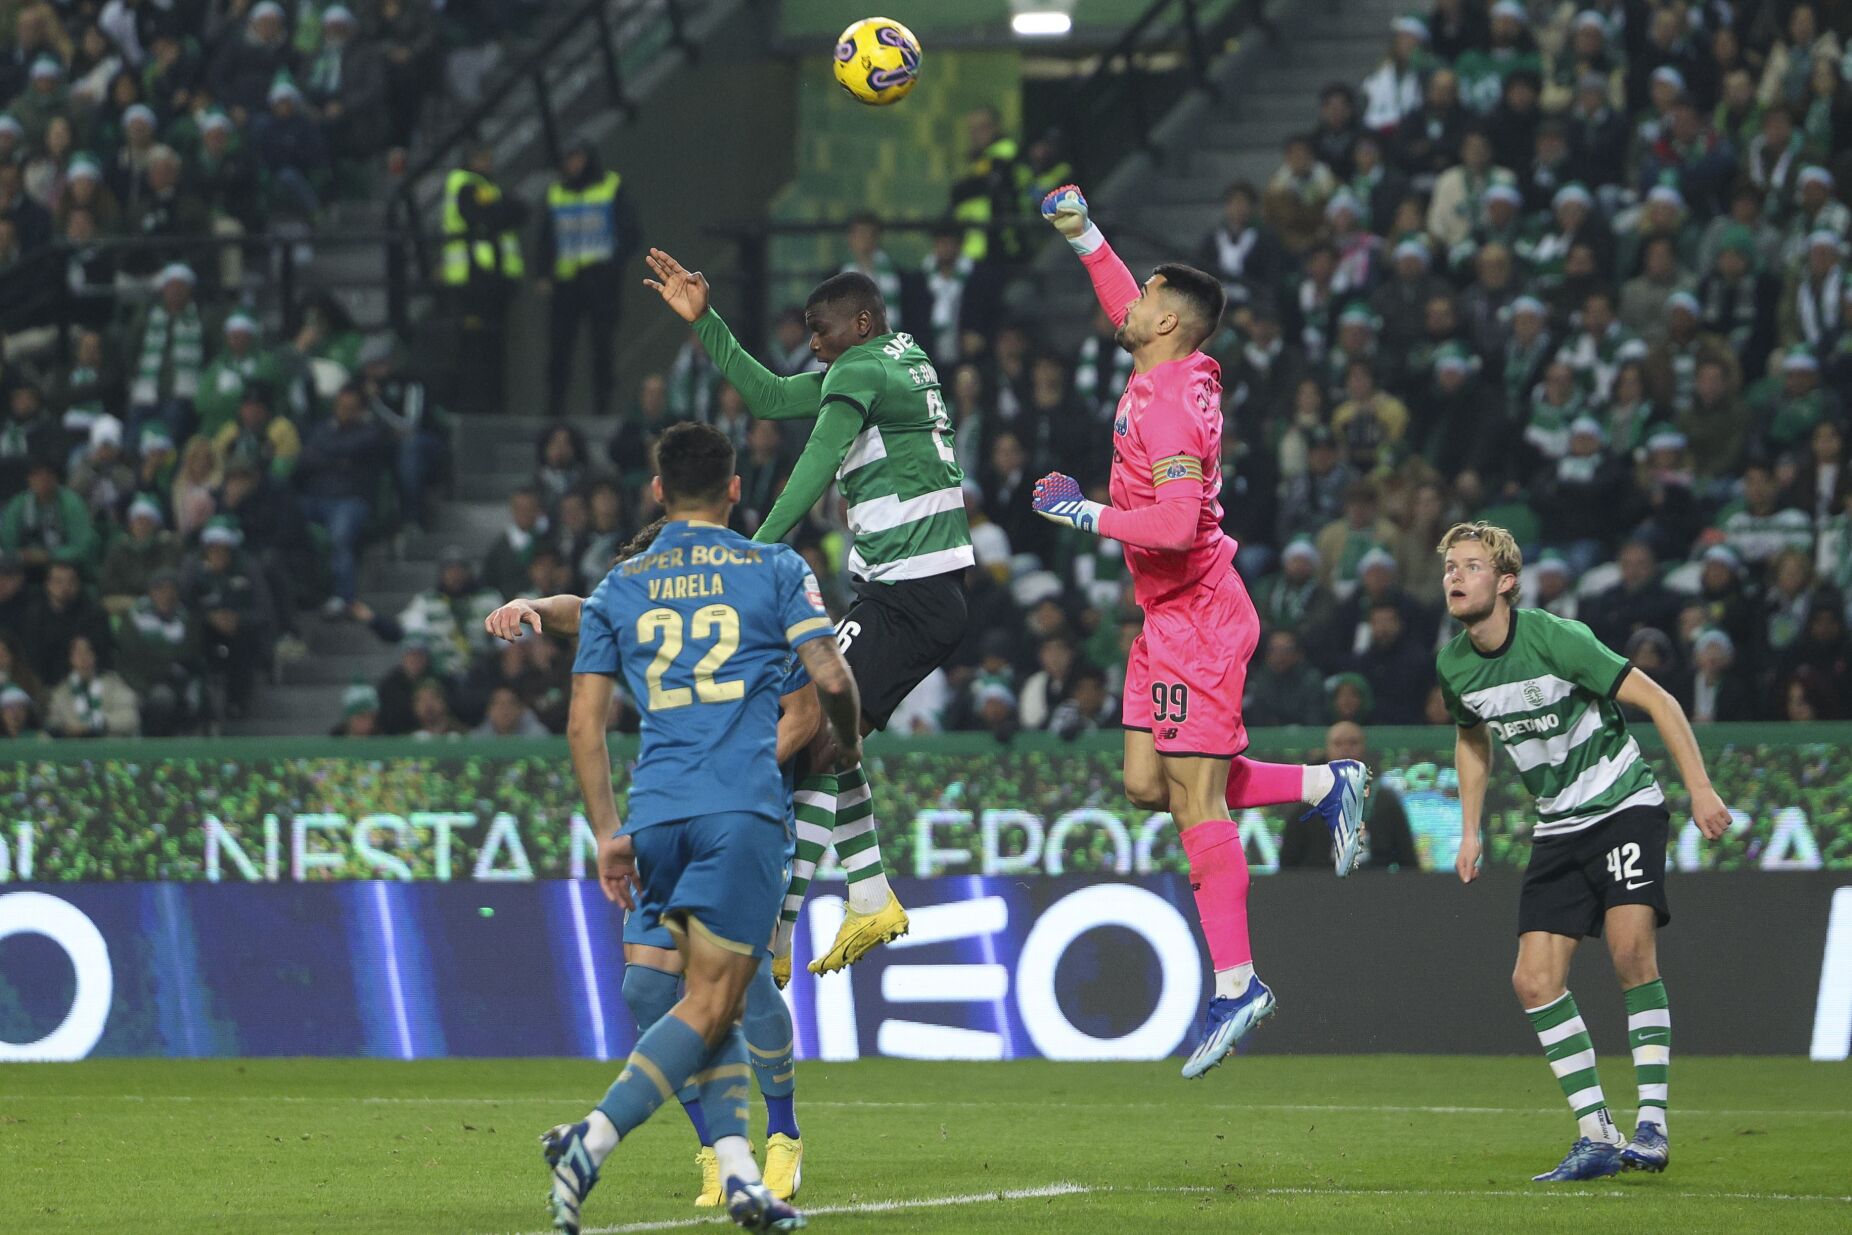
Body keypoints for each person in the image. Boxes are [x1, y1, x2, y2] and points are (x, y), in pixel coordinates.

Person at [1031, 184, 1370, 1079]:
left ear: (1170, 324)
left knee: (1196, 804)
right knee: (1149, 785)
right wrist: (1086, 235)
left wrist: (1083, 514)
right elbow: (1123, 302)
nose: (1127, 304)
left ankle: (1237, 982)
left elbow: (1177, 527)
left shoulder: (1174, 404)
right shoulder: (1159, 368)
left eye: (1142, 297)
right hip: (1166, 617)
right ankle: (1324, 783)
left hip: (1199, 616)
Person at [539, 422, 857, 1233]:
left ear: (655, 491)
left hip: (655, 816)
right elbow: (829, 677)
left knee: (705, 1002)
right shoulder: (775, 568)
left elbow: (584, 727)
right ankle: (592, 1138)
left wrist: (610, 829)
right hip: (739, 812)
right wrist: (847, 741)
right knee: (712, 996)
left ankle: (744, 1171)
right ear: (736, 488)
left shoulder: (623, 586)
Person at [640, 248, 981, 978]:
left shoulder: (859, 368)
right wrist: (709, 326)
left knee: (809, 734)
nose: (813, 344)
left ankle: (780, 927)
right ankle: (865, 893)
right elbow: (769, 397)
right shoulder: (896, 358)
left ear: (859, 322)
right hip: (924, 590)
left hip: (906, 594)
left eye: (821, 331)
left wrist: (751, 556)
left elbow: (814, 466)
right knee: (831, 732)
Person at [487, 514, 819, 1205]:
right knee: (647, 988)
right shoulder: (642, 603)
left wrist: (744, 767)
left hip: (745, 814)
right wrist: (532, 608)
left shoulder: (756, 601)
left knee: (743, 982)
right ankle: (714, 1150)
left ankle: (783, 1135)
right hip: (668, 814)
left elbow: (805, 712)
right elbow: (583, 608)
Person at [1436, 521, 1731, 1181]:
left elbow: (1659, 699)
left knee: (1630, 952)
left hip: (1623, 805)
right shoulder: (1454, 663)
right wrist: (1471, 828)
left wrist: (1701, 790)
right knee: (1533, 980)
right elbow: (1472, 738)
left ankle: (1651, 1123)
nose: (1455, 576)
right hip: (1558, 825)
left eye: (1472, 565)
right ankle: (1596, 1132)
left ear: (1506, 581)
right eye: (1450, 566)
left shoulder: (1556, 638)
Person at [537, 139, 640, 417]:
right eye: (568, 159)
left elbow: (631, 231)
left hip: (601, 282)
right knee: (559, 351)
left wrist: (613, 265)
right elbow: (546, 237)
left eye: (577, 157)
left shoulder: (610, 187)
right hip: (567, 283)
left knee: (602, 350)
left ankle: (601, 408)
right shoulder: (557, 192)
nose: (573, 165)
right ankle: (554, 410)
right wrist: (543, 273)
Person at [440, 142, 526, 413]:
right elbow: (488, 216)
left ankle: (491, 407)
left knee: (492, 349)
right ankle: (475, 407)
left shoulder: (487, 187)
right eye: (481, 157)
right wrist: (501, 210)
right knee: (475, 350)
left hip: (490, 281)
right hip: (472, 280)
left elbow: (520, 210)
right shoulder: (466, 184)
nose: (487, 163)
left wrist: (501, 209)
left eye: (489, 157)